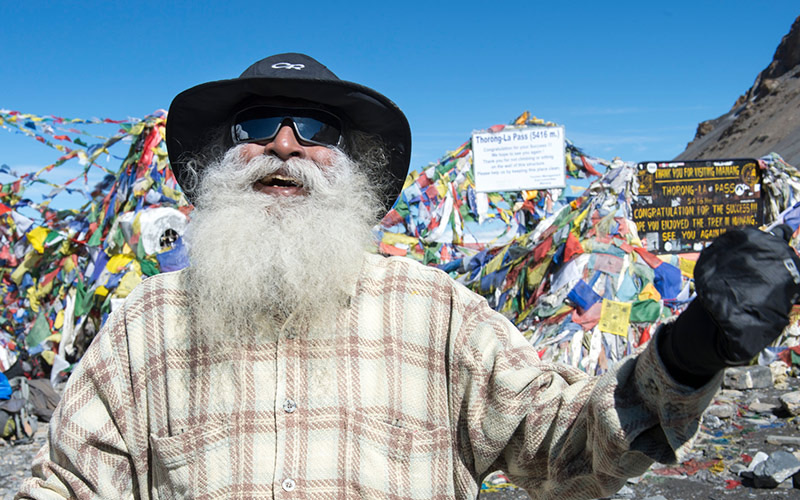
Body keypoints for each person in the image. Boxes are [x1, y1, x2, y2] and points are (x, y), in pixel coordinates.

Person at [16, 53, 800, 500]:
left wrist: (690, 352)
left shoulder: (436, 313)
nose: (284, 145)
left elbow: (564, 443)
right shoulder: (147, 324)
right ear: (221, 160)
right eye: (256, 125)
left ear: (352, 168)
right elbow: (65, 487)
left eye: (315, 129)